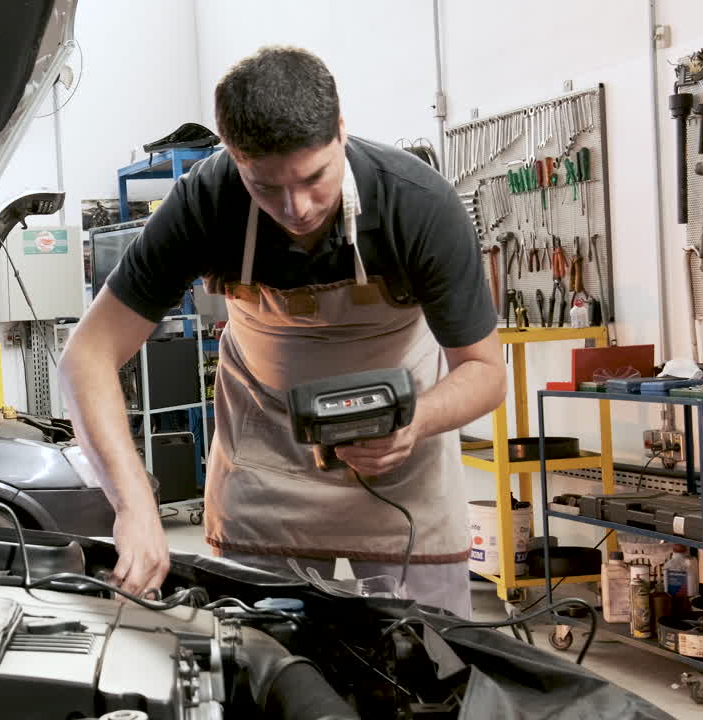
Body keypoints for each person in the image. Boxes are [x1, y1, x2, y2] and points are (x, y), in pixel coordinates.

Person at [58, 46, 505, 618]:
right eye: (264, 187)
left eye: (314, 178)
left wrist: (414, 422)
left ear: (342, 131)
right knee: (258, 662)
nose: (295, 208)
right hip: (266, 459)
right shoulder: (208, 201)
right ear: (233, 158)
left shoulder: (418, 205)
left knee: (429, 673)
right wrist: (134, 504)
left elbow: (486, 373)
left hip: (401, 461)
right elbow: (88, 356)